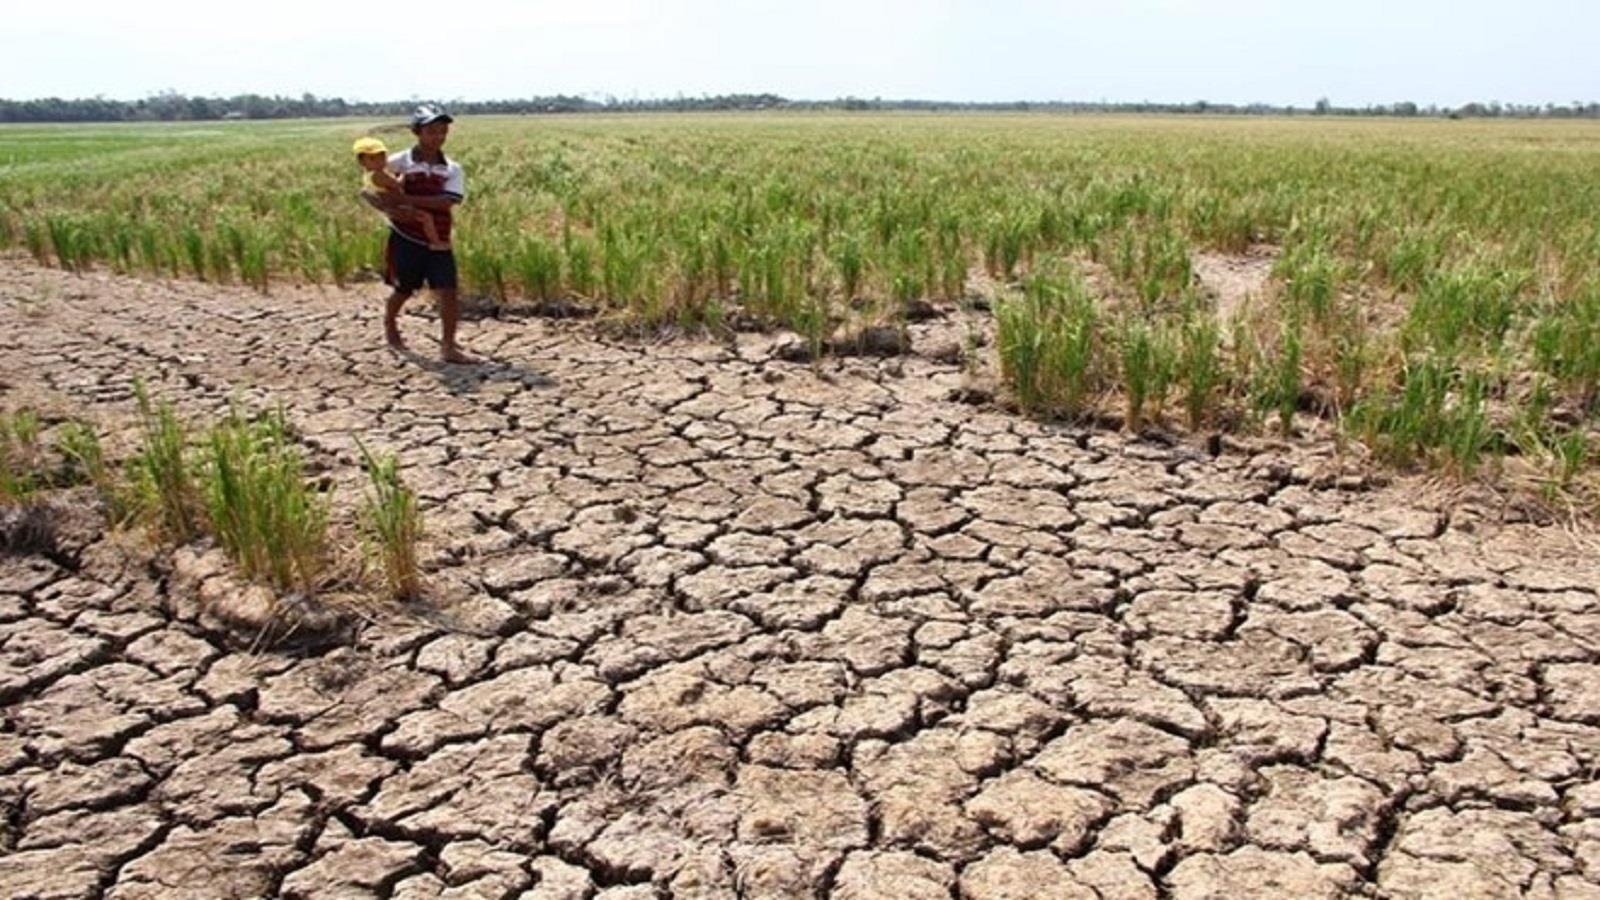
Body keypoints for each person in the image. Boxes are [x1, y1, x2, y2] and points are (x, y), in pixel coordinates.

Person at [363, 105, 473, 363]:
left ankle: (448, 346)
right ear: (416, 132)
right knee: (404, 289)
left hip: (440, 240)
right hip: (406, 237)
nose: (438, 136)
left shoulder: (452, 169)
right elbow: (368, 186)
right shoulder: (398, 161)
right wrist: (389, 208)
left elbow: (448, 202)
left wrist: (405, 198)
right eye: (431, 131)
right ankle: (390, 323)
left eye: (442, 131)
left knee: (448, 290)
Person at [353, 137, 449, 251]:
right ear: (362, 162)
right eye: (373, 158)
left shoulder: (371, 175)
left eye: (382, 157)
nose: (379, 161)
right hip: (398, 206)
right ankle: (435, 242)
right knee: (426, 217)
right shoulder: (378, 175)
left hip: (394, 205)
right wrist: (404, 174)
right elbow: (397, 184)